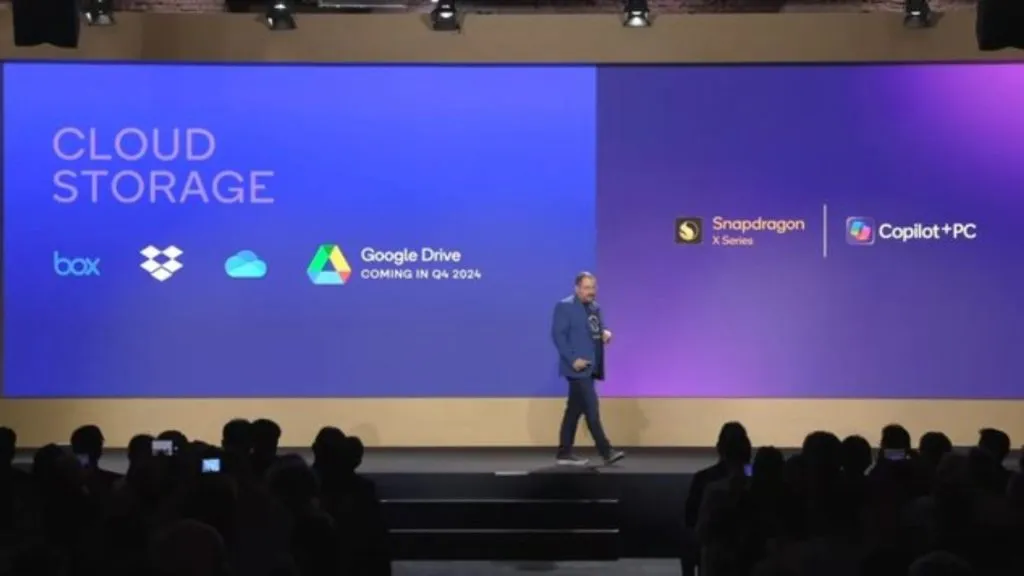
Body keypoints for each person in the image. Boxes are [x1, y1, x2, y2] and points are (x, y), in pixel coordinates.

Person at [551, 271, 624, 466]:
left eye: (593, 287)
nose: (591, 291)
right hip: (576, 368)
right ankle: (606, 451)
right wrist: (573, 359)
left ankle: (564, 453)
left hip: (591, 367)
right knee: (591, 408)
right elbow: (558, 336)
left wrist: (604, 333)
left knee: (573, 411)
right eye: (586, 288)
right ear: (577, 288)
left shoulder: (595, 308)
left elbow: (595, 329)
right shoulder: (565, 306)